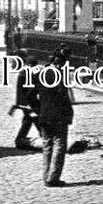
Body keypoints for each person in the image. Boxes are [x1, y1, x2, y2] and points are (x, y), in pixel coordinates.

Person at [34, 48, 74, 187]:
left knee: (47, 146)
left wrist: (39, 109)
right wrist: (69, 113)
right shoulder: (59, 76)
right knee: (59, 144)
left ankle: (46, 177)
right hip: (58, 116)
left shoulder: (40, 73)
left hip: (45, 115)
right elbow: (64, 98)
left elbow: (31, 94)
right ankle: (53, 177)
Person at [10, 51, 41, 151]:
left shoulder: (23, 73)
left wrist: (19, 104)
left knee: (29, 120)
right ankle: (20, 140)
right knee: (35, 119)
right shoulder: (29, 74)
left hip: (24, 101)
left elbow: (20, 90)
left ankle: (19, 139)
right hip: (30, 102)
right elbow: (31, 89)